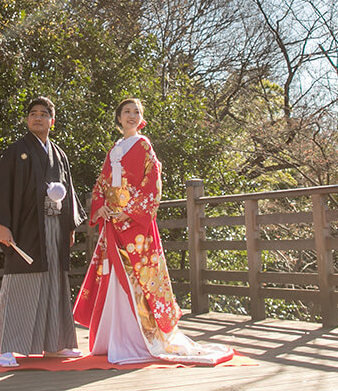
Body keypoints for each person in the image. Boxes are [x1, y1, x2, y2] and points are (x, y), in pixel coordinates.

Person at [73, 98, 233, 365]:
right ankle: (113, 337)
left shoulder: (144, 145)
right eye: (127, 112)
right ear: (119, 118)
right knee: (114, 277)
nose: (132, 116)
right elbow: (101, 183)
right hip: (113, 223)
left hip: (136, 225)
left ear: (142, 118)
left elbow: (152, 183)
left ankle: (138, 338)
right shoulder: (114, 149)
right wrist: (100, 208)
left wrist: (131, 211)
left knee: (139, 278)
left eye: (137, 112)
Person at [0, 96, 85, 368]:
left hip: (54, 228)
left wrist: (69, 226)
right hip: (26, 227)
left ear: (52, 121)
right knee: (20, 284)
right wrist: (3, 225)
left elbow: (70, 194)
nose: (38, 118)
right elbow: (3, 188)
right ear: (27, 119)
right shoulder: (16, 151)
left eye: (44, 114)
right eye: (33, 113)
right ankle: (8, 347)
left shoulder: (60, 154)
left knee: (55, 283)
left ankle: (54, 345)